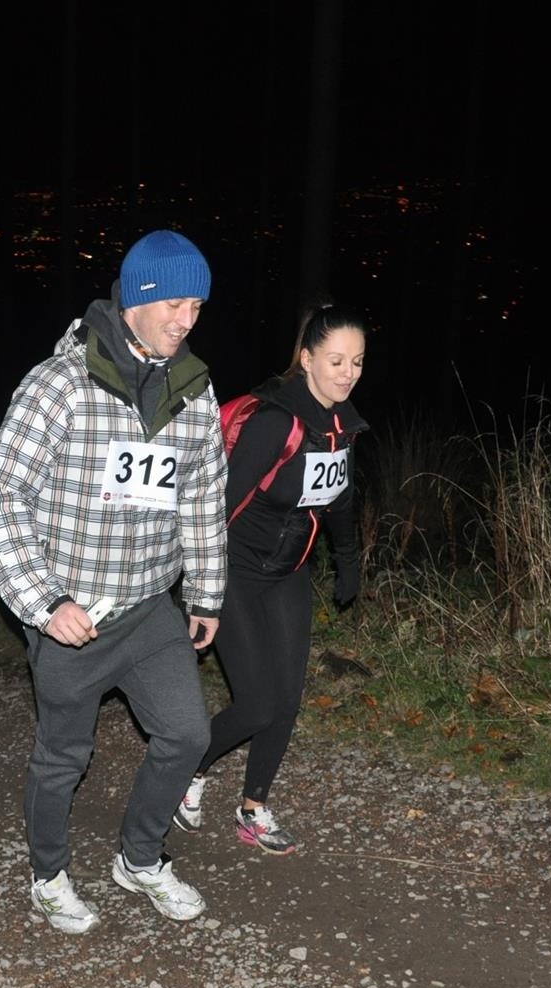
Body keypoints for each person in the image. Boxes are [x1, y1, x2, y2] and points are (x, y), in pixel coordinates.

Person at [0, 229, 228, 933]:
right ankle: (48, 875)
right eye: (174, 303)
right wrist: (44, 601)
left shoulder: (193, 392)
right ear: (138, 299)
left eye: (197, 307)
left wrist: (206, 592)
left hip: (149, 608)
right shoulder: (59, 385)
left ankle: (140, 858)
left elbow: (203, 501)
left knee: (186, 735)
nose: (186, 319)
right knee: (64, 756)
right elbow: (1, 495)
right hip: (75, 614)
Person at [173, 301, 370, 855]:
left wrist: (348, 560)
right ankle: (187, 769)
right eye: (336, 361)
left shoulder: (342, 425)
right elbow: (217, 506)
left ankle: (253, 807)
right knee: (257, 705)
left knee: (285, 700)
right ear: (307, 359)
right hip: (236, 571)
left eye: (357, 362)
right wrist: (198, 585)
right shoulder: (275, 423)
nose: (348, 374)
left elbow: (340, 499)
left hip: (289, 573)